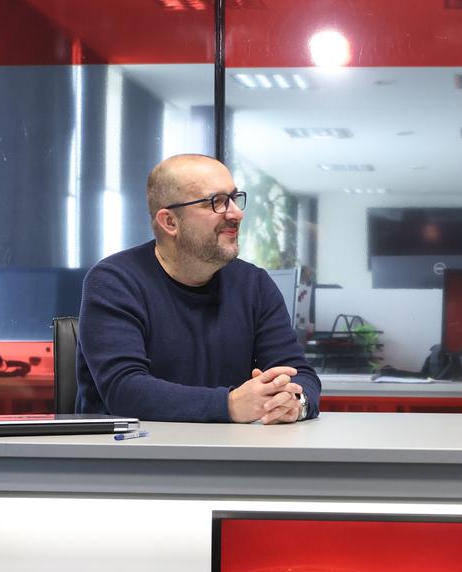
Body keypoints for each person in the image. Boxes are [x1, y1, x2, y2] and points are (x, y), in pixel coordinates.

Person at [76, 154, 320, 424]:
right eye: (217, 201)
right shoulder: (114, 281)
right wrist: (228, 404)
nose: (236, 213)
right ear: (170, 222)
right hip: (132, 447)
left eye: (234, 198)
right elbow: (124, 390)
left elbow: (298, 373)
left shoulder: (254, 284)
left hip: (228, 447)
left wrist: (294, 402)